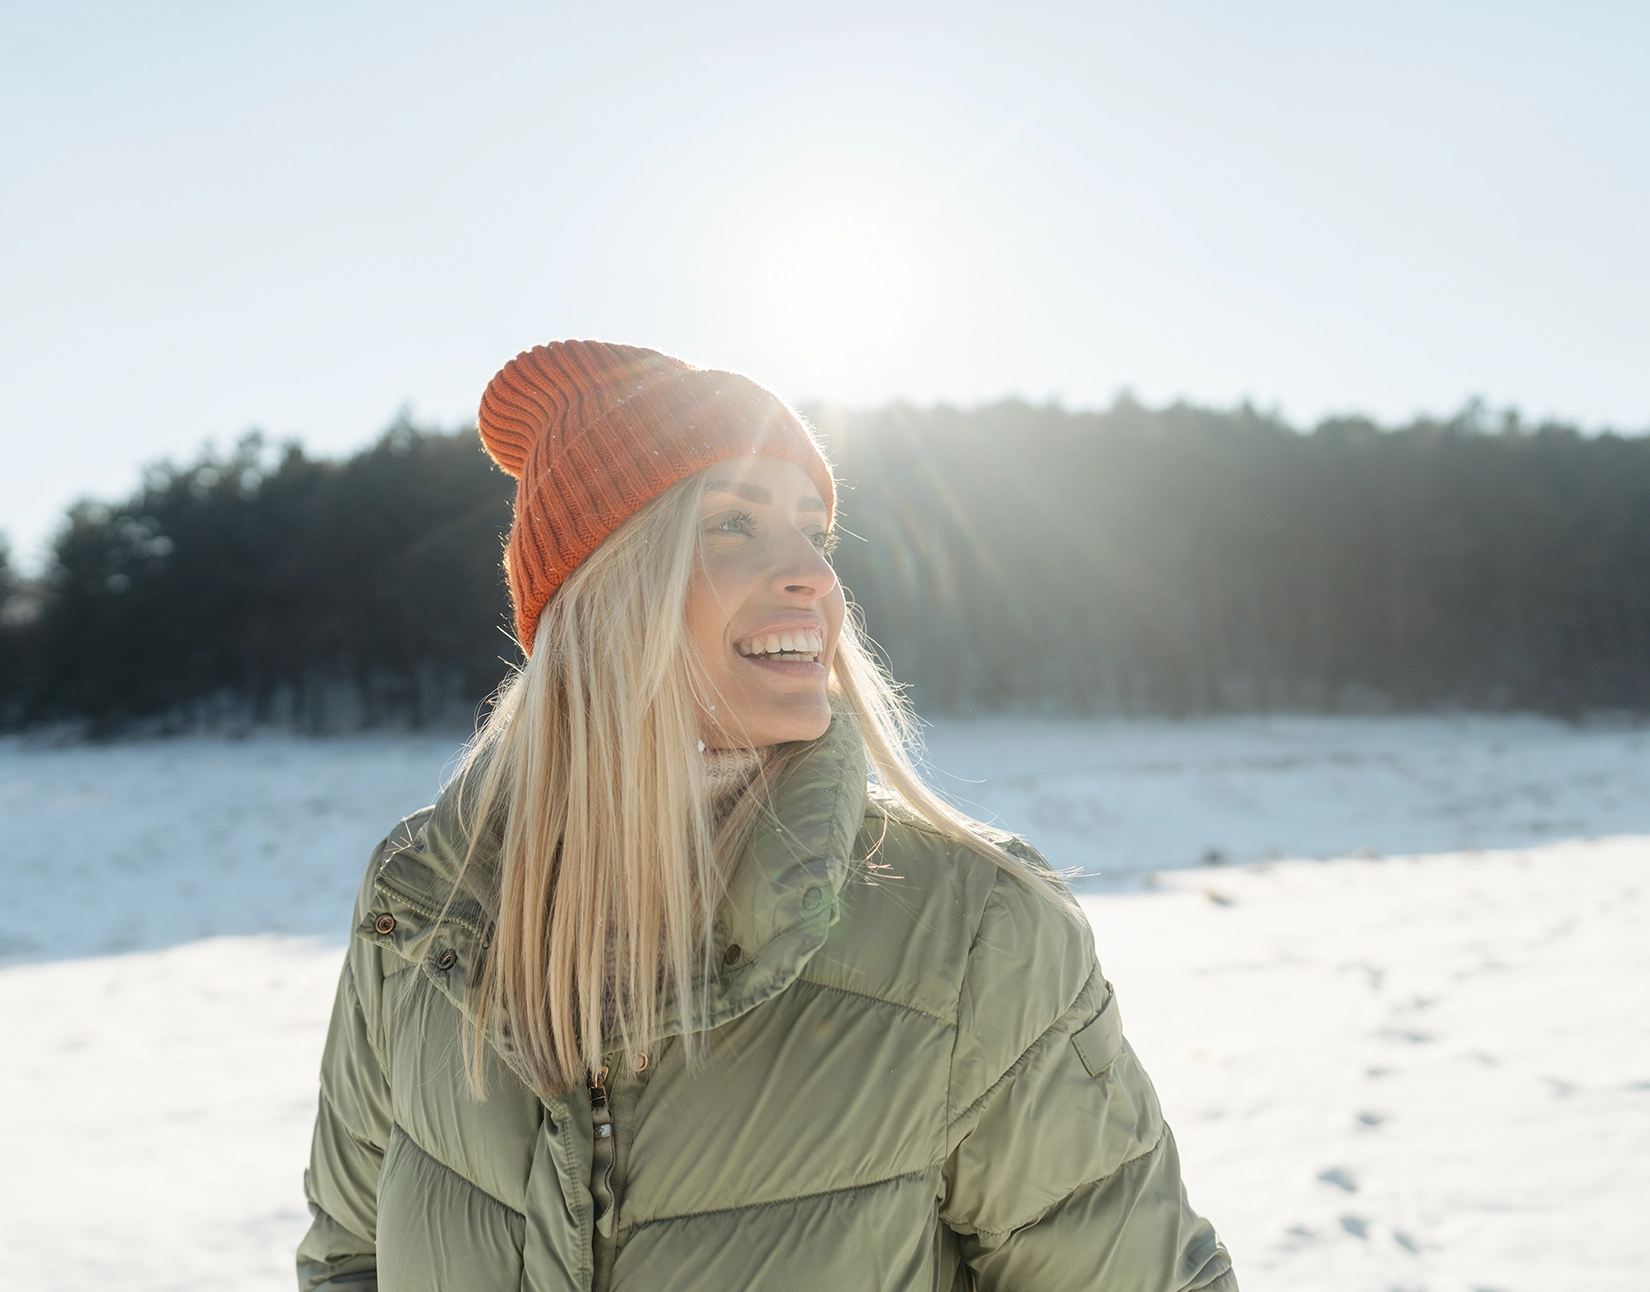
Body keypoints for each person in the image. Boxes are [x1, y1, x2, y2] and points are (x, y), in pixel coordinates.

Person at [296, 340, 1236, 1291]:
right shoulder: (421, 907)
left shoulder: (973, 931)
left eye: (816, 534)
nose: (815, 578)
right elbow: (350, 1258)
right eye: (735, 523)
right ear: (602, 590)